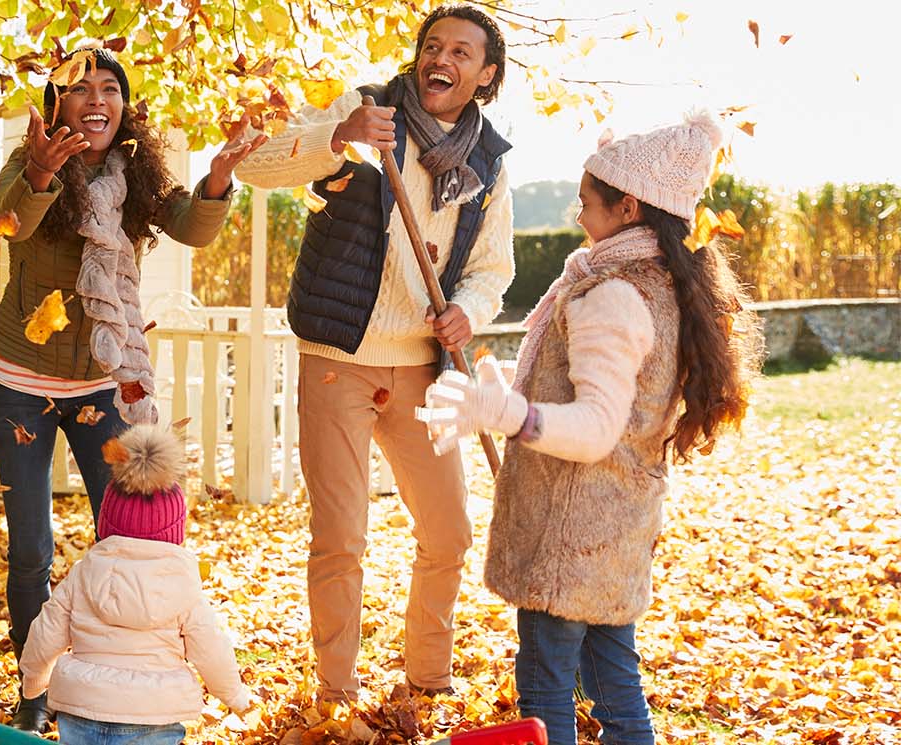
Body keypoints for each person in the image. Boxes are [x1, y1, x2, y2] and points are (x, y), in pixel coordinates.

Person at [417, 111, 762, 745]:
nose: (578, 217)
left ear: (628, 207)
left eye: (586, 205)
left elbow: (599, 426)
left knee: (547, 687)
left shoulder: (614, 295)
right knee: (613, 685)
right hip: (616, 526)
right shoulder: (663, 285)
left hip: (570, 533)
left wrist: (508, 414)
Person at [233, 3, 514, 703]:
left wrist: (466, 311)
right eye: (432, 46)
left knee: (449, 531)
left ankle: (427, 680)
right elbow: (258, 167)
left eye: (459, 52)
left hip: (423, 364)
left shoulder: (488, 161)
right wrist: (339, 134)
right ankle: (336, 691)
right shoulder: (368, 112)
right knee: (341, 536)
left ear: (485, 75)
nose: (440, 59)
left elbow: (492, 270)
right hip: (339, 356)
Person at [0, 46, 265, 731]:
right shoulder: (26, 167)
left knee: (134, 539)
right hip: (18, 381)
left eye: (109, 88)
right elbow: (12, 221)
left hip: (101, 384)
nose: (96, 99)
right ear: (59, 107)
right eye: (81, 89)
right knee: (32, 548)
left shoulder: (135, 176)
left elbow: (194, 228)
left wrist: (219, 179)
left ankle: (125, 682)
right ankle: (34, 690)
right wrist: (44, 170)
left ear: (122, 106)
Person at [19, 424, 253, 744]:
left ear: (107, 522)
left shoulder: (84, 572)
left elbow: (46, 632)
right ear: (174, 530)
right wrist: (236, 697)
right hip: (153, 717)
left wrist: (33, 684)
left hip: (82, 710)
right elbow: (210, 647)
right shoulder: (184, 583)